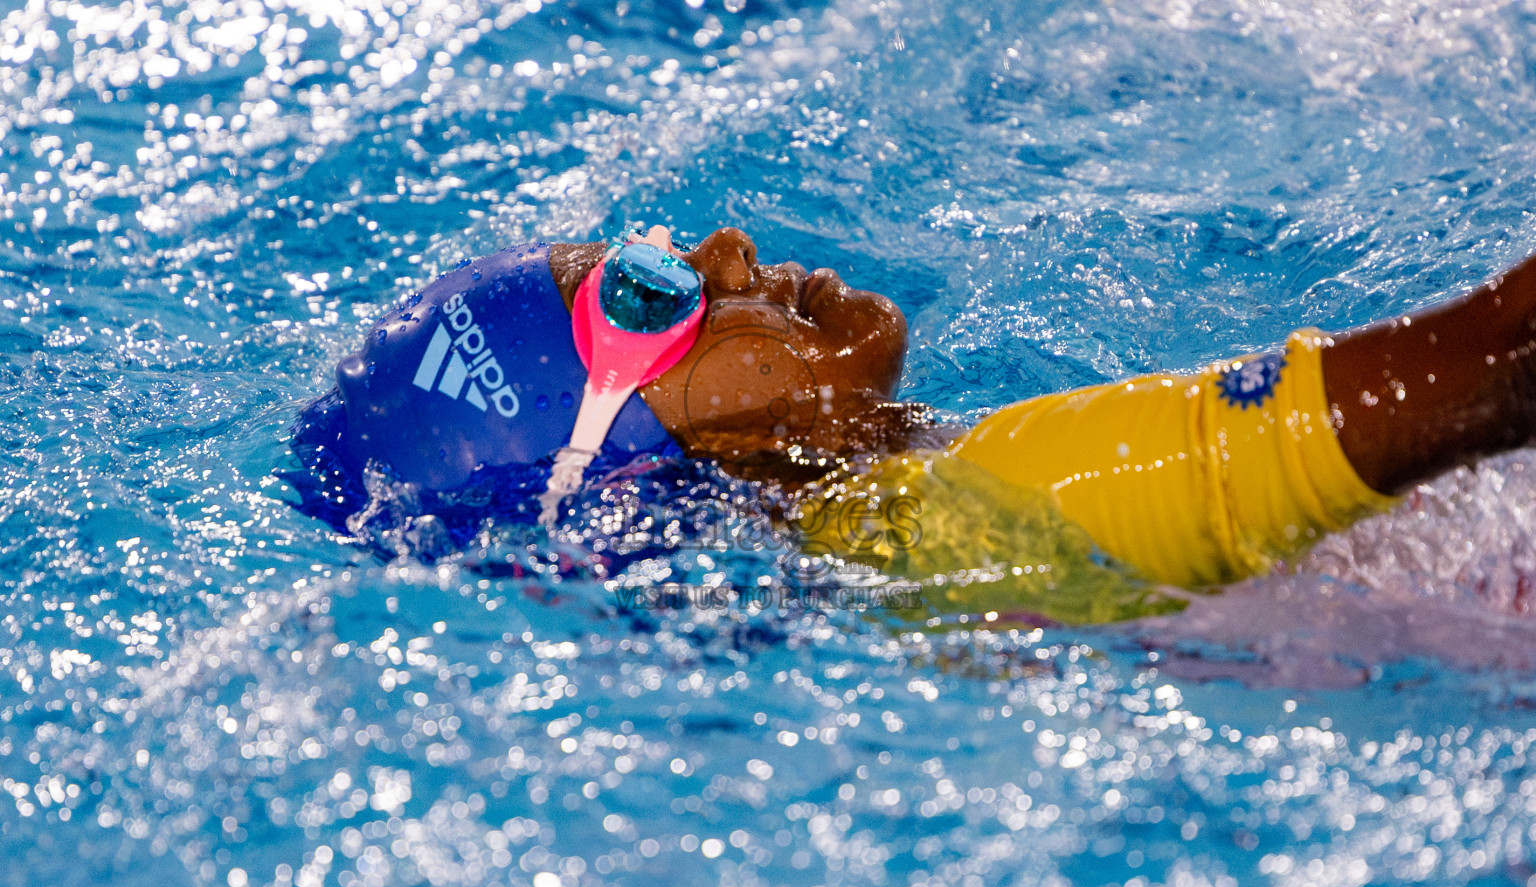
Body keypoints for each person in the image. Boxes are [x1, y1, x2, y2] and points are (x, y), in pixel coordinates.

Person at [289, 223, 1536, 618]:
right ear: (615, 451)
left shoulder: (908, 557)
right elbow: (1503, 362)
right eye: (649, 297)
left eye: (652, 245)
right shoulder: (977, 511)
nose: (724, 250)